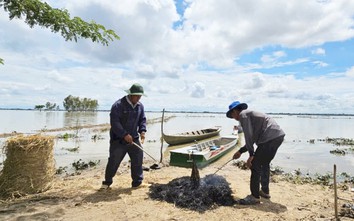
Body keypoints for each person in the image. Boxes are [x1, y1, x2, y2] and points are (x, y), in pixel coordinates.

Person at [226, 101, 285, 205]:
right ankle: (265, 192)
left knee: (254, 165)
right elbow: (252, 138)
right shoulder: (249, 114)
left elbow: (248, 136)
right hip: (278, 136)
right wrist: (240, 151)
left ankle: (254, 196)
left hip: (268, 138)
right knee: (265, 163)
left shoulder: (243, 115)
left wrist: (251, 155)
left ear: (235, 111)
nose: (234, 118)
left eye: (232, 115)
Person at [100, 83, 148, 189]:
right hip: (118, 140)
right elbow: (115, 123)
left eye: (140, 96)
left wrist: (142, 131)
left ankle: (137, 182)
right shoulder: (118, 105)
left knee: (138, 158)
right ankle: (107, 183)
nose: (139, 98)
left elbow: (142, 120)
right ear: (131, 94)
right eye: (137, 95)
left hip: (134, 139)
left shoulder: (140, 106)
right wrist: (124, 134)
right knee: (114, 161)